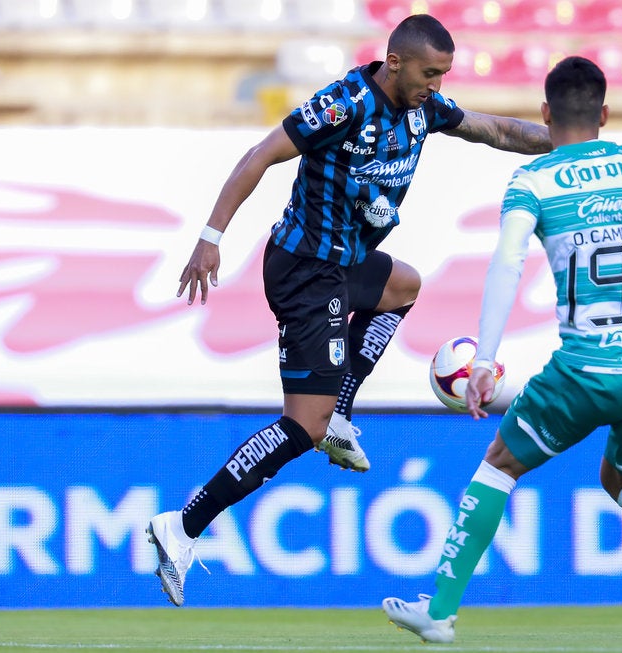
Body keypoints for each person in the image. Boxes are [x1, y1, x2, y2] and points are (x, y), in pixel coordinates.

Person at [145, 14, 551, 607]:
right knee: (300, 427)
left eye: (443, 75)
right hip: (306, 271)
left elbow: (493, 129)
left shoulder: (425, 109)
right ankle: (181, 526)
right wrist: (211, 235)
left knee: (404, 285)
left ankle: (339, 410)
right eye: (428, 73)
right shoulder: (342, 105)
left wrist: (565, 140)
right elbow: (260, 155)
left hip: (346, 266)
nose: (436, 85)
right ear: (394, 61)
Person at [381, 55, 622, 643]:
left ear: (545, 115)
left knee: (500, 463)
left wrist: (483, 361)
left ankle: (440, 612)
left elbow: (507, 262)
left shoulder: (534, 179)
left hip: (589, 366)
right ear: (604, 113)